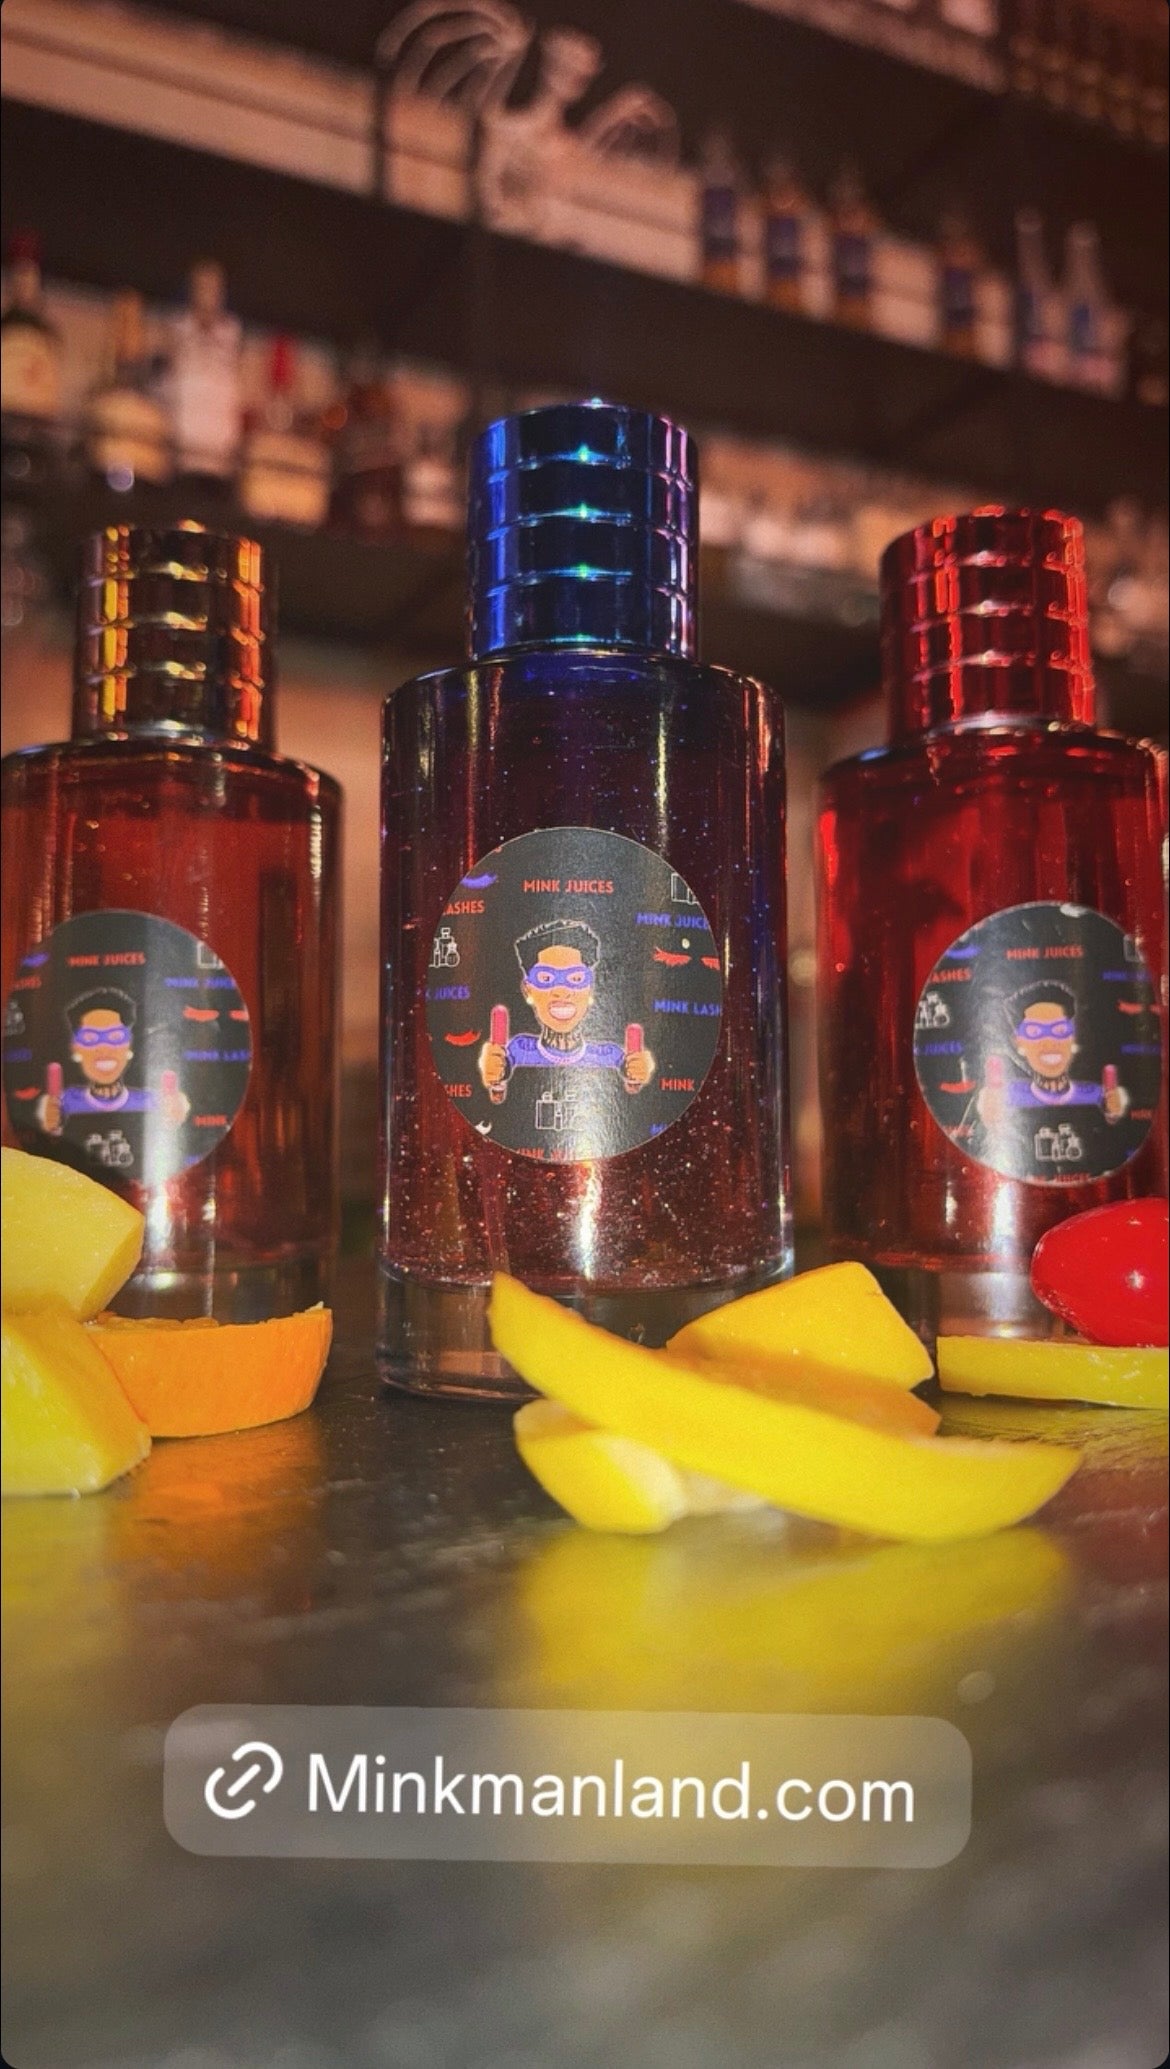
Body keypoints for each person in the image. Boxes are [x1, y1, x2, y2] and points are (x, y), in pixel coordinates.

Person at [478, 920, 654, 1099]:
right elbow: (498, 1083)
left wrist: (637, 1071)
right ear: (528, 991)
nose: (561, 991)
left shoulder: (610, 1056)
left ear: (589, 990)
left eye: (576, 978)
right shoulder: (519, 1050)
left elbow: (632, 1086)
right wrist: (494, 1070)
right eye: (546, 978)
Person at [975, 980, 1128, 1126]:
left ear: (1072, 1038)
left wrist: (1113, 1112)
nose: (1049, 1042)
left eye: (1060, 1030)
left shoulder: (1095, 1096)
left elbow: (1113, 1128)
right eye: (1034, 1032)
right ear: (1019, 1042)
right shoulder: (1006, 1097)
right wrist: (990, 1118)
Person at [36, 989, 190, 1132]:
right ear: (76, 1048)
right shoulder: (64, 1103)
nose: (104, 1048)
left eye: (115, 1037)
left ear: (128, 1045)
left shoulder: (151, 1103)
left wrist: (175, 1118)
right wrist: (49, 1123)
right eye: (90, 1038)